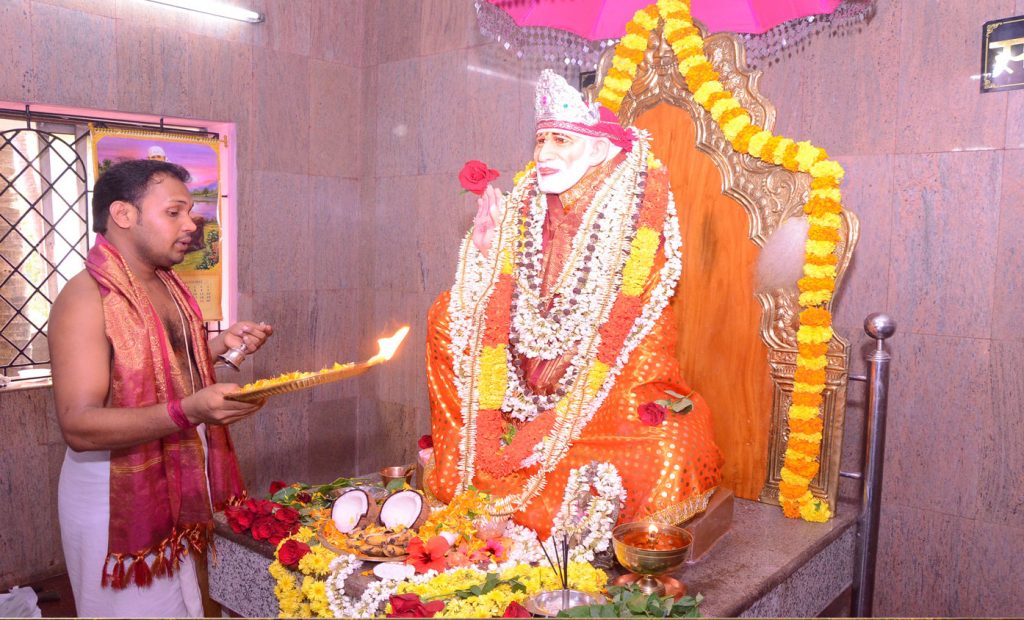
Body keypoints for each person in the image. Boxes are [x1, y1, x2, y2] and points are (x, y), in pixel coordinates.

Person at [425, 70, 723, 535]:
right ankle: (475, 467)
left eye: (560, 140)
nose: (544, 154)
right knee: (445, 312)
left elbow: (642, 335)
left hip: (602, 395)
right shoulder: (525, 206)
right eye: (541, 141)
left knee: (671, 444)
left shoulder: (635, 214)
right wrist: (486, 257)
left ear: (599, 149)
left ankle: (538, 492)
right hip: (517, 388)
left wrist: (578, 385)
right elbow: (498, 313)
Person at [49, 159, 272, 617]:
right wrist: (189, 411)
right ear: (123, 214)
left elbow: (153, 369)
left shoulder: (167, 285)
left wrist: (215, 347)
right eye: (174, 212)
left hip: (170, 480)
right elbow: (79, 425)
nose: (191, 224)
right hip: (114, 500)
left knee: (182, 607)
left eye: (189, 212)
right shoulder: (86, 298)